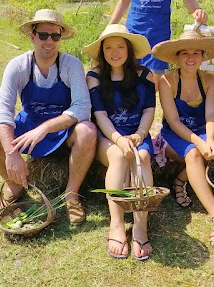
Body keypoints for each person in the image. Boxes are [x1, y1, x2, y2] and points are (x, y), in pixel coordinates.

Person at [0, 9, 97, 224]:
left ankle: (71, 195)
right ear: (32, 36)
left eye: (55, 36)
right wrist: (11, 152)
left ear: (61, 38)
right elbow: (2, 110)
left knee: (88, 130)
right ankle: (14, 185)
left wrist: (45, 128)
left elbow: (82, 108)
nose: (49, 41)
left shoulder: (71, 64)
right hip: (29, 123)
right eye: (43, 35)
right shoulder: (18, 66)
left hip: (61, 129)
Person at [83, 24, 156, 260]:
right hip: (107, 136)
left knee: (143, 156)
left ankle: (140, 225)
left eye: (120, 47)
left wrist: (140, 134)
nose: (115, 52)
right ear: (102, 51)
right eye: (109, 48)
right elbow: (100, 115)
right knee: (117, 155)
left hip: (138, 134)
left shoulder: (146, 74)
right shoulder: (93, 77)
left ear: (129, 49)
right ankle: (116, 224)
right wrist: (117, 139)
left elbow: (148, 111)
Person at [151, 30, 214, 250]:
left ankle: (180, 180)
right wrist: (200, 142)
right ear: (177, 56)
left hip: (200, 130)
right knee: (194, 153)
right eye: (185, 53)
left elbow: (211, 115)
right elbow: (173, 121)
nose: (191, 58)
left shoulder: (211, 81)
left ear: (204, 56)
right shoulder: (167, 81)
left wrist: (210, 139)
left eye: (196, 52)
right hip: (174, 134)